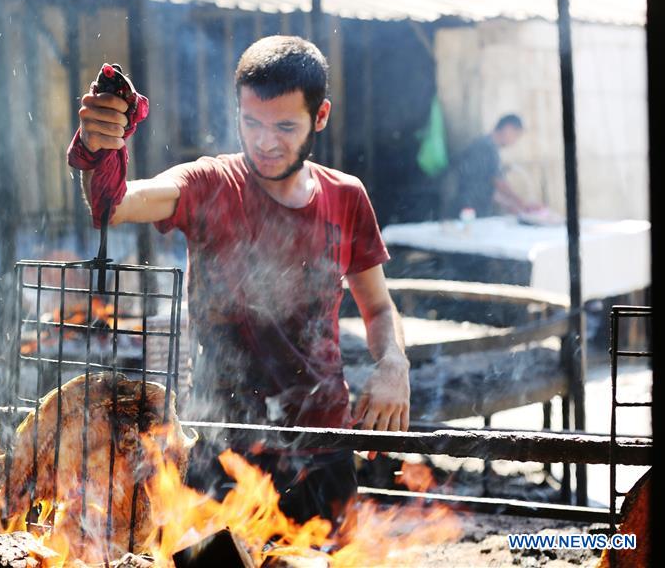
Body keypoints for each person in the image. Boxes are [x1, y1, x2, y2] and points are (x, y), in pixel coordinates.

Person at [69, 36, 409, 528]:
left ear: (320, 116)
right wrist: (98, 149)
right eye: (252, 123)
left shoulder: (346, 196)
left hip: (324, 447)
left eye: (285, 126)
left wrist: (394, 363)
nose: (266, 142)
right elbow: (116, 205)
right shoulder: (209, 182)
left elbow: (377, 307)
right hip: (223, 449)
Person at [443, 114, 544, 218]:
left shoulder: (486, 145)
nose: (515, 142)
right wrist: (522, 203)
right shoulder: (486, 147)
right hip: (468, 208)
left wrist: (509, 205)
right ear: (508, 128)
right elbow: (498, 182)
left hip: (476, 208)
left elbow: (486, 186)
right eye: (516, 135)